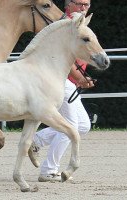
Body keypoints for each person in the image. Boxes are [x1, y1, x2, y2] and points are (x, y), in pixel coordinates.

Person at [30, 0, 94, 182]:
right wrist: (81, 78)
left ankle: (36, 140)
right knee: (70, 125)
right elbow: (63, 57)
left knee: (83, 125)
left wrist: (82, 77)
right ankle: (49, 170)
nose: (84, 8)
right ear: (68, 4)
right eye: (80, 3)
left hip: (68, 81)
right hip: (57, 79)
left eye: (87, 4)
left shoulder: (78, 24)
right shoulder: (62, 25)